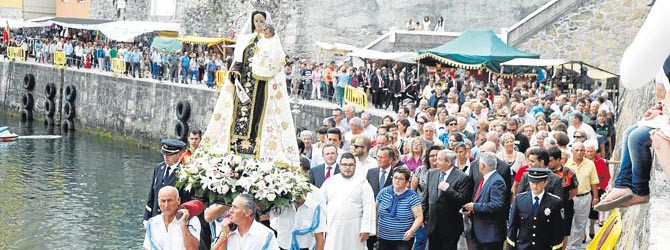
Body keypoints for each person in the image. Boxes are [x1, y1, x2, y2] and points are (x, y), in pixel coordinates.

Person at [197, 8, 299, 165]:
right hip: (243, 84)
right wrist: (235, 72)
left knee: (258, 112)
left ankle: (254, 140)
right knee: (239, 111)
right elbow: (237, 60)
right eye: (256, 21)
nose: (259, 24)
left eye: (261, 21)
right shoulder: (245, 40)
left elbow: (276, 61)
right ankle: (236, 142)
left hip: (261, 85)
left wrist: (269, 42)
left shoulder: (272, 41)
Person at [321, 153, 376, 250]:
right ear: (339, 166)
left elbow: (369, 207)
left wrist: (366, 229)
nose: (347, 167)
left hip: (355, 228)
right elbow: (320, 203)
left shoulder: (362, 183)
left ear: (355, 166)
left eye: (351, 165)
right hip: (333, 226)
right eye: (345, 164)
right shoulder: (330, 182)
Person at [422, 149, 473, 250]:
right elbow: (426, 198)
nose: (436, 162)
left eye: (439, 160)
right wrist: (422, 217)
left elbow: (463, 201)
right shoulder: (431, 173)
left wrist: (448, 190)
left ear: (449, 162)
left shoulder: (462, 178)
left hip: (450, 228)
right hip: (432, 226)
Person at [506, 168, 563, 250]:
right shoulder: (520, 199)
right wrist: (510, 247)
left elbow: (558, 230)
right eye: (532, 182)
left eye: (538, 183)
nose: (534, 186)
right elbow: (513, 227)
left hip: (545, 247)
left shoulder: (555, 202)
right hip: (523, 247)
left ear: (545, 183)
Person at [461, 152, 507, 250]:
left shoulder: (496, 181)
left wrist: (474, 206)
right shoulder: (486, 179)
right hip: (481, 233)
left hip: (490, 235)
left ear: (482, 165)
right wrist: (471, 209)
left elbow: (496, 205)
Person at [375, 166, 423, 250]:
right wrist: (375, 226)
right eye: (395, 177)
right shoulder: (384, 192)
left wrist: (411, 231)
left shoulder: (412, 196)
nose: (397, 181)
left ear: (407, 182)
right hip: (384, 236)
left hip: (403, 238)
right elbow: (375, 211)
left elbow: (419, 217)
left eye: (401, 179)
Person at [565, 142, 599, 250]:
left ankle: (575, 247)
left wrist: (595, 198)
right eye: (577, 150)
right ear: (572, 152)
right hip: (570, 197)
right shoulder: (567, 164)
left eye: (581, 150)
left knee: (580, 223)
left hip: (584, 197)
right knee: (568, 223)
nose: (579, 153)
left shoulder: (590, 164)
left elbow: (594, 182)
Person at [215, 194, 280, 250]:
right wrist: (224, 234)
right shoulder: (227, 230)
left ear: (248, 213)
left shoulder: (266, 234)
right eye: (231, 206)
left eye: (235, 207)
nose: (230, 211)